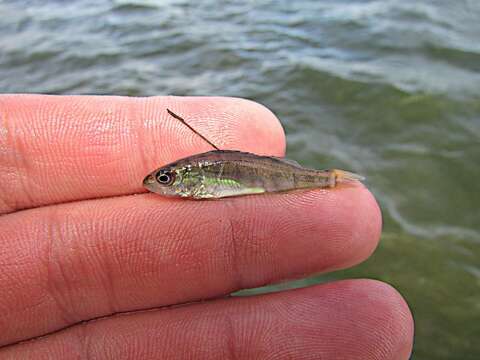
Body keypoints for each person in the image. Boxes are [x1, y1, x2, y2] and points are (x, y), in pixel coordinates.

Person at [0, 95, 413, 359]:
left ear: (185, 180)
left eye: (165, 179)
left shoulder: (200, 177)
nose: (159, 184)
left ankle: (328, 180)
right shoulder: (193, 180)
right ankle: (328, 179)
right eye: (165, 179)